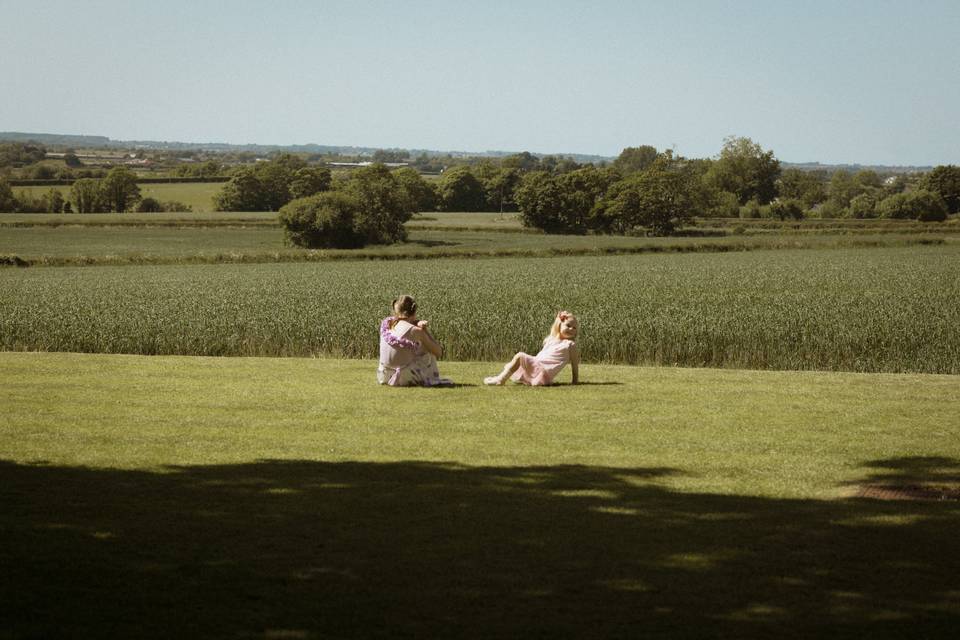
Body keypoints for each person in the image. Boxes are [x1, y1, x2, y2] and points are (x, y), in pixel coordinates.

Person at [484, 311, 580, 386]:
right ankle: (509, 377)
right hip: (539, 365)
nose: (571, 329)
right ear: (559, 325)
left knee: (520, 356)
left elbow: (574, 364)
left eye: (574, 328)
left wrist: (575, 381)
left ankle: (500, 380)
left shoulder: (570, 345)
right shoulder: (551, 340)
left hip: (544, 371)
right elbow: (542, 356)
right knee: (519, 362)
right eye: (568, 326)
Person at [377, 295, 450, 386]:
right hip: (404, 378)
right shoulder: (415, 331)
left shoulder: (387, 324)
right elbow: (438, 352)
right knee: (428, 351)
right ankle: (431, 378)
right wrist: (424, 330)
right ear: (414, 311)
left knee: (411, 348)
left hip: (384, 375)